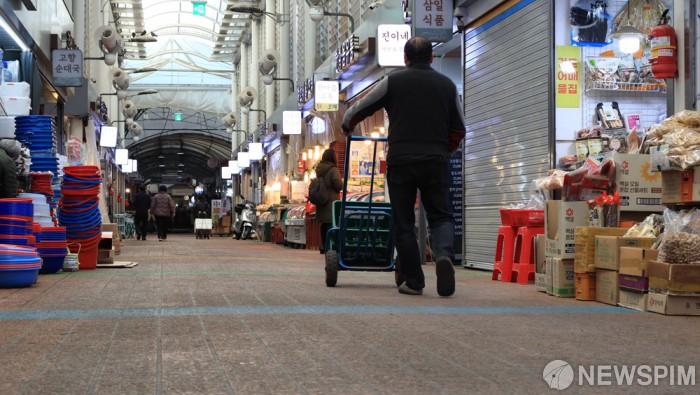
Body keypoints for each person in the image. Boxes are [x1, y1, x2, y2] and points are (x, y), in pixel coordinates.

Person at [342, 36, 466, 297]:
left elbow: (358, 109)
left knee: (404, 222)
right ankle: (443, 255)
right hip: (435, 160)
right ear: (432, 57)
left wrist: (347, 126)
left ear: (405, 59)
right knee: (441, 216)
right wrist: (446, 151)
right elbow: (459, 128)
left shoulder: (393, 81)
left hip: (401, 162)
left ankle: (414, 281)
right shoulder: (447, 85)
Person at [314, 149, 343, 254]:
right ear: (332, 157)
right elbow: (338, 185)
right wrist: (342, 183)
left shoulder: (319, 169)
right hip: (331, 202)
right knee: (331, 225)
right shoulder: (333, 169)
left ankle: (324, 246)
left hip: (322, 201)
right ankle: (331, 248)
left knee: (324, 225)